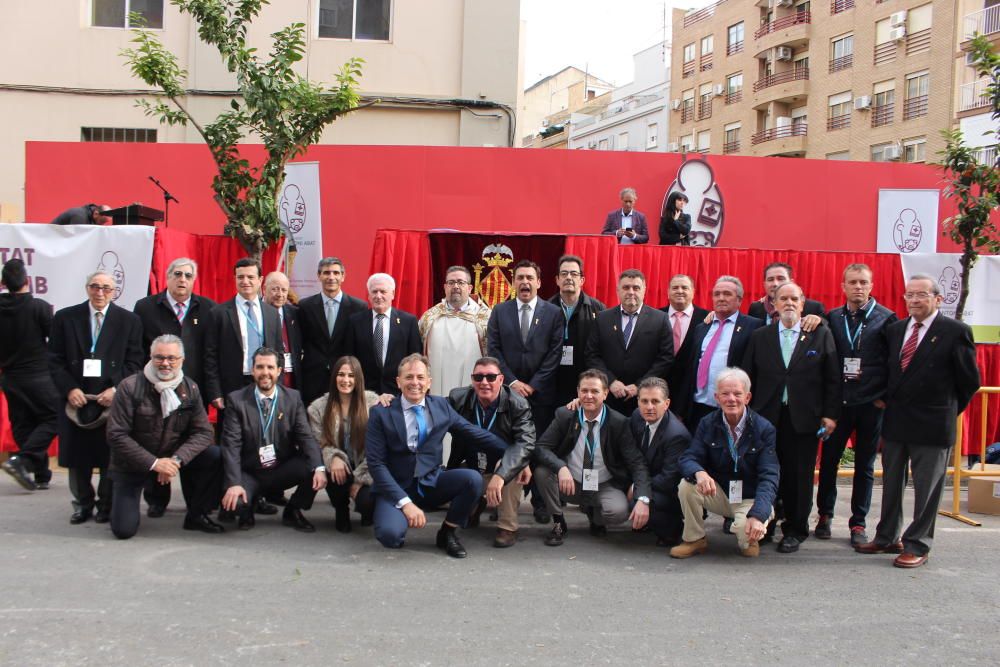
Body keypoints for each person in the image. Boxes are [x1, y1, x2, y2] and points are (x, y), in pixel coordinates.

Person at [856, 275, 980, 568]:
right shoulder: (898, 329)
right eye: (909, 295)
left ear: (938, 298)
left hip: (933, 423)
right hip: (897, 421)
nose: (914, 300)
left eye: (921, 294)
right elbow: (891, 371)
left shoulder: (954, 331)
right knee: (891, 483)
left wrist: (947, 409)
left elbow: (968, 382)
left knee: (926, 488)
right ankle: (887, 536)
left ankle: (918, 544)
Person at [365, 354, 518, 558]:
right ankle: (394, 512)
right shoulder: (381, 412)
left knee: (472, 479)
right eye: (409, 377)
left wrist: (515, 456)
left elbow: (477, 434)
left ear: (429, 382)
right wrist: (406, 503)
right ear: (398, 381)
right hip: (396, 487)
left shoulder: (440, 406)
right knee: (390, 537)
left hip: (430, 483)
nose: (415, 383)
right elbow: (376, 465)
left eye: (420, 377)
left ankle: (447, 532)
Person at [743, 282, 840, 554]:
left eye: (794, 299)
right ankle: (764, 524)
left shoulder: (820, 335)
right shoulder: (760, 336)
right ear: (773, 303)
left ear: (803, 302)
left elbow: (832, 379)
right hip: (766, 418)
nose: (788, 303)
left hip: (804, 419)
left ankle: (795, 529)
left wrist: (830, 415)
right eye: (782, 298)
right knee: (765, 472)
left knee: (799, 476)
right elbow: (748, 376)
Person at [105, 335, 224, 538]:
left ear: (182, 360)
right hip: (133, 463)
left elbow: (203, 433)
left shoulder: (190, 388)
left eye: (172, 358)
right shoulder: (129, 387)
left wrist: (176, 460)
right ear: (150, 358)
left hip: (171, 456)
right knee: (123, 530)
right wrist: (154, 463)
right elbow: (116, 435)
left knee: (216, 455)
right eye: (159, 357)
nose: (165, 363)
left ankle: (197, 514)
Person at [48, 271, 143, 524]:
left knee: (108, 456)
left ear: (114, 292)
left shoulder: (129, 321)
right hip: (76, 398)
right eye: (95, 287)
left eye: (106, 288)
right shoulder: (65, 318)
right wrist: (69, 389)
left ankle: (106, 505)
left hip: (110, 399)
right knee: (77, 457)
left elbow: (135, 362)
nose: (100, 292)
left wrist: (116, 390)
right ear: (87, 288)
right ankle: (82, 504)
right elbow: (54, 359)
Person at [814, 264, 898, 545]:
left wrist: (882, 397)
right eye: (852, 282)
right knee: (829, 462)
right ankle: (824, 515)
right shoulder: (833, 318)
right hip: (838, 405)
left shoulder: (886, 319)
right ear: (843, 286)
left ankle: (858, 524)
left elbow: (893, 362)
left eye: (863, 282)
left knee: (864, 464)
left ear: (871, 286)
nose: (858, 287)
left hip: (869, 404)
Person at [132, 257, 216, 517]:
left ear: (194, 280)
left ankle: (195, 502)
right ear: (167, 278)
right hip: (155, 388)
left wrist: (212, 392)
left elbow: (210, 355)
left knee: (191, 444)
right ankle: (157, 499)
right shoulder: (145, 308)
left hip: (192, 393)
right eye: (177, 274)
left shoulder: (207, 309)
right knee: (156, 442)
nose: (182, 280)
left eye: (188, 276)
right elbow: (137, 350)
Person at [532, 368, 651, 546]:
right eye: (584, 390)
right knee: (542, 473)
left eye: (595, 391)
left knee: (618, 512)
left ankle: (596, 517)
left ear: (605, 393)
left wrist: (643, 498)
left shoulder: (618, 422)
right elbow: (541, 448)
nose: (588, 395)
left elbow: (636, 462)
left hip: (603, 484)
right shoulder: (565, 415)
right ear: (578, 392)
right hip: (571, 482)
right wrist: (560, 467)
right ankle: (558, 521)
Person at [670, 368, 779, 559]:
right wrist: (699, 473)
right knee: (686, 486)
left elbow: (769, 475)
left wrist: (758, 515)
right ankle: (694, 539)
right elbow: (689, 458)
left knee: (746, 540)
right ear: (716, 397)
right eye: (725, 394)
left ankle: (750, 534)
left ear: (747, 397)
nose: (731, 399)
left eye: (737, 394)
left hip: (748, 497)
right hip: (720, 493)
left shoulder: (764, 429)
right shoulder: (707, 423)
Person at [219, 347, 327, 532]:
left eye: (270, 367)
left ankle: (293, 511)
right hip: (250, 471)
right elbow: (231, 445)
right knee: (235, 503)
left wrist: (319, 468)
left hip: (280, 468)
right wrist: (235, 483)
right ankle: (247, 508)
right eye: (260, 367)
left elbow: (306, 437)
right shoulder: (237, 400)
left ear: (279, 371)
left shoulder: (292, 398)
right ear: (252, 370)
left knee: (315, 465)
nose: (265, 373)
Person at [447, 357, 535, 548]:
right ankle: (475, 505)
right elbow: (428, 408)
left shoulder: (517, 404)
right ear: (472, 380)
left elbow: (525, 443)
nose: (484, 382)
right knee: (464, 503)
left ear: (501, 380)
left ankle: (507, 526)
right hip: (472, 466)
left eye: (490, 377)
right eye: (478, 377)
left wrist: (501, 474)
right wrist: (389, 399)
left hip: (501, 468)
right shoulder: (458, 398)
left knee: (517, 469)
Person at [0, 258, 59, 490]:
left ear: (4, 282)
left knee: (24, 423)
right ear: (27, 280)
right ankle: (22, 460)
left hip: (10, 377)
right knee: (54, 418)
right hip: (39, 375)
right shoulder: (39, 308)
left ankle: (41, 474)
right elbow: (55, 343)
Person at [486, 259, 562, 437]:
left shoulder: (554, 313)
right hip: (507, 393)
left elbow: (555, 353)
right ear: (513, 283)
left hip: (541, 395)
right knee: (507, 442)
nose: (525, 282)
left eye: (530, 277)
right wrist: (513, 382)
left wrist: (533, 385)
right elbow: (493, 349)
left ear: (539, 282)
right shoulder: (499, 311)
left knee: (538, 444)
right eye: (520, 278)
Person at [307, 355, 381, 532]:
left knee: (368, 502)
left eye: (351, 375)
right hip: (340, 470)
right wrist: (333, 457)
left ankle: (366, 512)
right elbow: (320, 443)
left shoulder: (373, 403)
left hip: (366, 466)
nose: (345, 380)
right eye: (341, 374)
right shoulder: (318, 408)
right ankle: (341, 510)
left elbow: (378, 447)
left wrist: (360, 479)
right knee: (335, 469)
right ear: (334, 377)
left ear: (358, 378)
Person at [585, 269, 673, 415]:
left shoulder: (660, 319)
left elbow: (665, 359)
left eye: (636, 288)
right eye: (626, 287)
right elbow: (592, 355)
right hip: (609, 398)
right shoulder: (602, 318)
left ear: (644, 290)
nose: (631, 292)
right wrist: (610, 381)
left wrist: (640, 385)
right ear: (618, 290)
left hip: (645, 400)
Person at [204, 257, 284, 413]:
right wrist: (215, 392)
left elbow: (278, 352)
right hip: (232, 387)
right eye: (240, 277)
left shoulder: (271, 314)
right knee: (232, 435)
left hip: (265, 382)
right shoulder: (218, 313)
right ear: (234, 279)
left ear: (260, 280)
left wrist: (278, 385)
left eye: (250, 277)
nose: (245, 281)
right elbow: (210, 356)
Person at [687, 276, 764, 426]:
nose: (721, 298)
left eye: (727, 294)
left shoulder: (754, 326)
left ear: (739, 300)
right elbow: (691, 367)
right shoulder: (701, 327)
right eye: (717, 294)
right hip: (698, 407)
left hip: (731, 409)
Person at [295, 257, 368, 405]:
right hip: (312, 378)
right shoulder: (305, 306)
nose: (331, 277)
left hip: (345, 378)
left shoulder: (358, 307)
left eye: (336, 273)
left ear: (343, 276)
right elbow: (299, 342)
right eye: (326, 273)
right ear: (319, 276)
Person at [629, 377, 691, 547]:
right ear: (638, 402)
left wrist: (639, 490)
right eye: (645, 401)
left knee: (635, 500)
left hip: (669, 493)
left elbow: (669, 479)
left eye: (655, 401)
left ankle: (672, 530)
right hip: (646, 478)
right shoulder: (636, 416)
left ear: (667, 403)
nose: (649, 407)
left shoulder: (676, 435)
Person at [418, 265, 491, 398]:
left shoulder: (486, 318)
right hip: (437, 390)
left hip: (473, 390)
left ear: (469, 288)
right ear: (445, 287)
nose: (456, 286)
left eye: (461, 282)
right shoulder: (429, 318)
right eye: (451, 283)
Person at [344, 273, 422, 396]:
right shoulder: (355, 322)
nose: (378, 296)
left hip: (398, 393)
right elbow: (349, 358)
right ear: (368, 295)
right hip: (364, 394)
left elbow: (415, 358)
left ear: (393, 294)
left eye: (383, 291)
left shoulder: (409, 321)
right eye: (374, 292)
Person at [546, 254, 605, 406]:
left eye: (574, 274)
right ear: (557, 280)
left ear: (582, 280)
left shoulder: (597, 309)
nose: (569, 278)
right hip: (552, 383)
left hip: (585, 385)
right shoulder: (546, 309)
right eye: (564, 274)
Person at [660, 274, 709, 421]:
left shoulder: (707, 319)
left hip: (691, 396)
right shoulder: (654, 315)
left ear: (693, 292)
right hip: (658, 391)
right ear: (668, 292)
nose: (679, 291)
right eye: (675, 288)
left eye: (684, 287)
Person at [747, 262, 825, 325]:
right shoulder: (756, 308)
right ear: (764, 284)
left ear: (791, 282)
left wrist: (818, 320)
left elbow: (826, 326)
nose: (775, 284)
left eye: (781, 279)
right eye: (770, 279)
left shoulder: (813, 307)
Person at [263, 271, 302, 389]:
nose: (280, 294)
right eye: (275, 289)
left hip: (291, 382)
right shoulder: (256, 313)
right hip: (265, 380)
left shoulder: (295, 314)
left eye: (284, 290)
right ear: (264, 289)